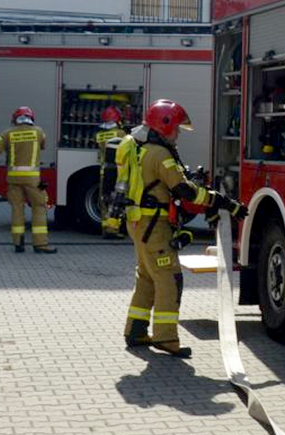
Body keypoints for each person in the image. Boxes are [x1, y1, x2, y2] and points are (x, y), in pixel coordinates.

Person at [122, 99, 243, 357]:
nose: (177, 135)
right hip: (154, 226)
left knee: (147, 277)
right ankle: (166, 338)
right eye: (176, 129)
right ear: (163, 125)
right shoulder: (161, 154)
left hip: (140, 223)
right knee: (169, 280)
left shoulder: (142, 149)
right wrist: (220, 201)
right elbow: (185, 191)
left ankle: (135, 331)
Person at [0, 106, 57, 254]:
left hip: (13, 179)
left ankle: (18, 243)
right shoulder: (38, 132)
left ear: (15, 119)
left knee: (17, 209)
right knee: (39, 208)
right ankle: (40, 245)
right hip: (33, 179)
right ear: (31, 118)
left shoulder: (7, 133)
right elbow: (43, 145)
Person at [94, 107, 129, 236]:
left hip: (104, 170)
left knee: (104, 199)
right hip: (118, 171)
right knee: (116, 199)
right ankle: (113, 229)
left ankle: (105, 227)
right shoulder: (120, 133)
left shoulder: (99, 135)